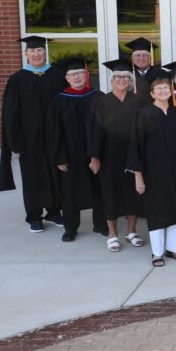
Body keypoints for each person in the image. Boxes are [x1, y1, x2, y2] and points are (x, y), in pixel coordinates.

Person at [0, 36, 67, 232]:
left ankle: (54, 211)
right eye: (32, 51)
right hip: (29, 140)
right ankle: (34, 215)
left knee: (56, 173)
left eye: (40, 50)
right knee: (32, 176)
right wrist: (16, 142)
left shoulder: (57, 75)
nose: (37, 54)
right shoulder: (17, 79)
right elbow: (11, 113)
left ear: (45, 52)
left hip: (54, 136)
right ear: (26, 54)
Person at [127, 74, 176, 267]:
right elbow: (135, 146)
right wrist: (138, 177)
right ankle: (157, 253)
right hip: (153, 172)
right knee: (157, 211)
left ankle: (173, 249)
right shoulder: (144, 114)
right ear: (152, 93)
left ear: (171, 91)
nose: (163, 91)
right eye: (159, 89)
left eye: (166, 88)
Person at [87, 59, 145, 253]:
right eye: (118, 77)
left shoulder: (138, 101)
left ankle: (131, 231)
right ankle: (112, 234)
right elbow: (94, 130)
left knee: (132, 194)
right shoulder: (101, 101)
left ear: (130, 81)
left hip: (132, 154)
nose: (122, 80)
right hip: (108, 156)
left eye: (126, 77)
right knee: (109, 193)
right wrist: (95, 156)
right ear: (112, 80)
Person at [46, 58, 104, 242]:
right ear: (67, 78)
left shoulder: (97, 96)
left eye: (80, 73)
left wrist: (99, 154)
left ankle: (100, 224)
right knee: (70, 191)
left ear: (86, 75)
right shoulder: (59, 100)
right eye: (72, 75)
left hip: (94, 152)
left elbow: (105, 128)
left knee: (98, 189)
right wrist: (59, 157)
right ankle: (70, 228)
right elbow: (54, 131)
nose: (77, 77)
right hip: (70, 155)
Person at [125, 37, 161, 102]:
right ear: (132, 59)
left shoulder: (161, 73)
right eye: (138, 55)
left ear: (150, 58)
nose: (141, 58)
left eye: (144, 55)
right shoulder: (127, 75)